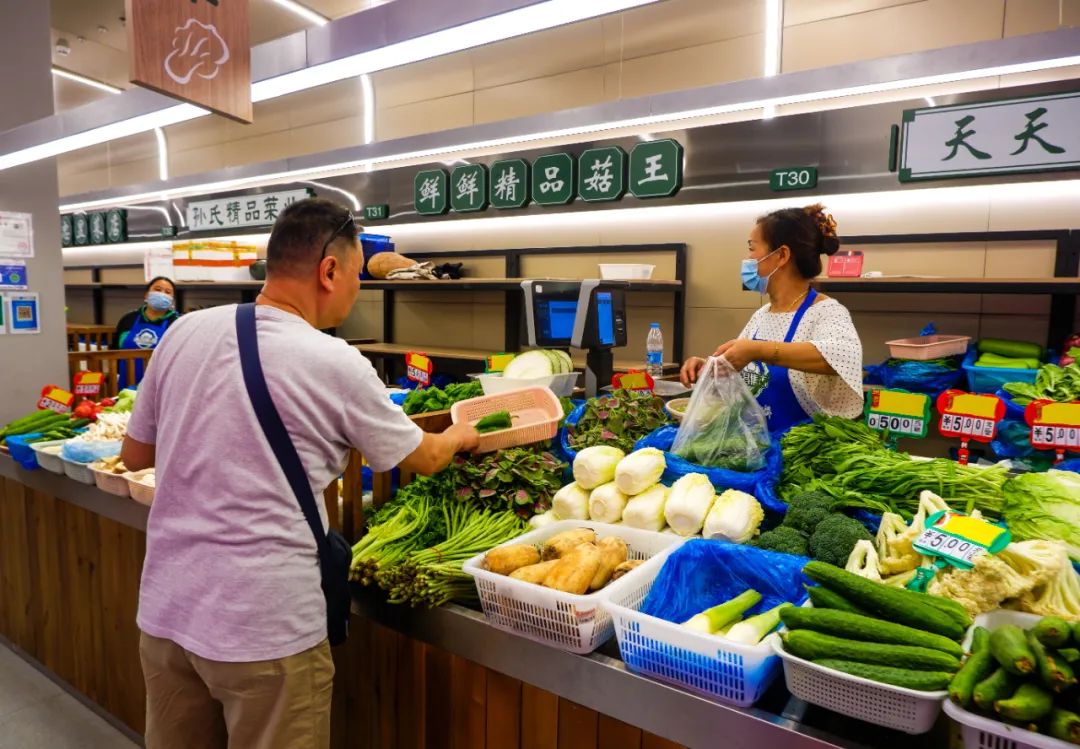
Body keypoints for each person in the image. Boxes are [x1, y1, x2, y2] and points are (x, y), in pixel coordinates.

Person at [120, 198, 479, 749]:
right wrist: (462, 432)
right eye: (357, 274)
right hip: (266, 627)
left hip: (168, 610)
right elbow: (425, 458)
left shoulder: (184, 332)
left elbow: (137, 453)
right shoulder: (335, 361)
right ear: (329, 270)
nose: (358, 289)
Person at [680, 204, 863, 433]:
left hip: (802, 454)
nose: (748, 258)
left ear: (782, 255)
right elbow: (743, 373)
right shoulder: (762, 316)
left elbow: (842, 357)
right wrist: (709, 368)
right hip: (759, 450)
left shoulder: (826, 312)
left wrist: (757, 350)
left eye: (752, 248)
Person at [115, 276, 180, 388]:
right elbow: (115, 351)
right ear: (146, 295)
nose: (162, 294)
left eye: (168, 292)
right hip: (126, 383)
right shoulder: (128, 319)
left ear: (172, 300)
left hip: (160, 385)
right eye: (157, 290)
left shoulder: (177, 323)